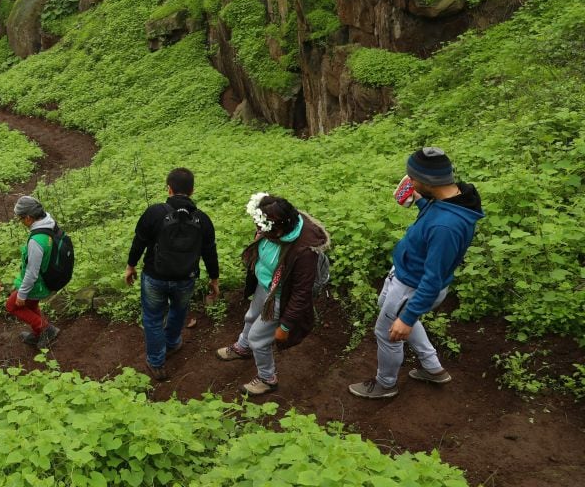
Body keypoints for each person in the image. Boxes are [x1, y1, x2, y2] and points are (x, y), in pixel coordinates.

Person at [349, 147, 484, 399]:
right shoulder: (450, 199)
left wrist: (408, 316)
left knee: (387, 333)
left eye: (412, 179)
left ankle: (385, 384)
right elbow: (434, 216)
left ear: (430, 182)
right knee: (393, 316)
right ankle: (433, 368)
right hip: (405, 276)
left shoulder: (446, 226)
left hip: (412, 286)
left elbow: (432, 280)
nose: (408, 182)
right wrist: (420, 200)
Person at [216, 192, 330, 396]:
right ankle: (243, 348)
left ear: (278, 229)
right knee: (251, 316)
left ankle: (267, 379)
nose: (259, 231)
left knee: (258, 339)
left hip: (279, 298)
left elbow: (301, 293)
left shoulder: (303, 253)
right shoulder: (278, 228)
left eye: (262, 228)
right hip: (266, 286)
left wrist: (285, 326)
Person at [124, 167, 220, 381]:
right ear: (192, 190)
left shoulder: (154, 212)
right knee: (179, 310)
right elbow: (209, 251)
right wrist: (214, 279)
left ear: (169, 189)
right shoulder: (202, 219)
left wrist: (131, 266)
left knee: (152, 317)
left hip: (155, 277)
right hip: (186, 279)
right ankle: (173, 343)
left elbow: (139, 241)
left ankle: (156, 362)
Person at [4, 195, 60, 348]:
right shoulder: (49, 224)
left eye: (20, 219)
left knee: (11, 305)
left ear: (28, 218)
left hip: (37, 284)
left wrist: (22, 294)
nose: (21, 222)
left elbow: (32, 273)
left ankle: (46, 329)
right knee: (31, 306)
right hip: (46, 278)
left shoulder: (36, 241)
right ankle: (38, 333)